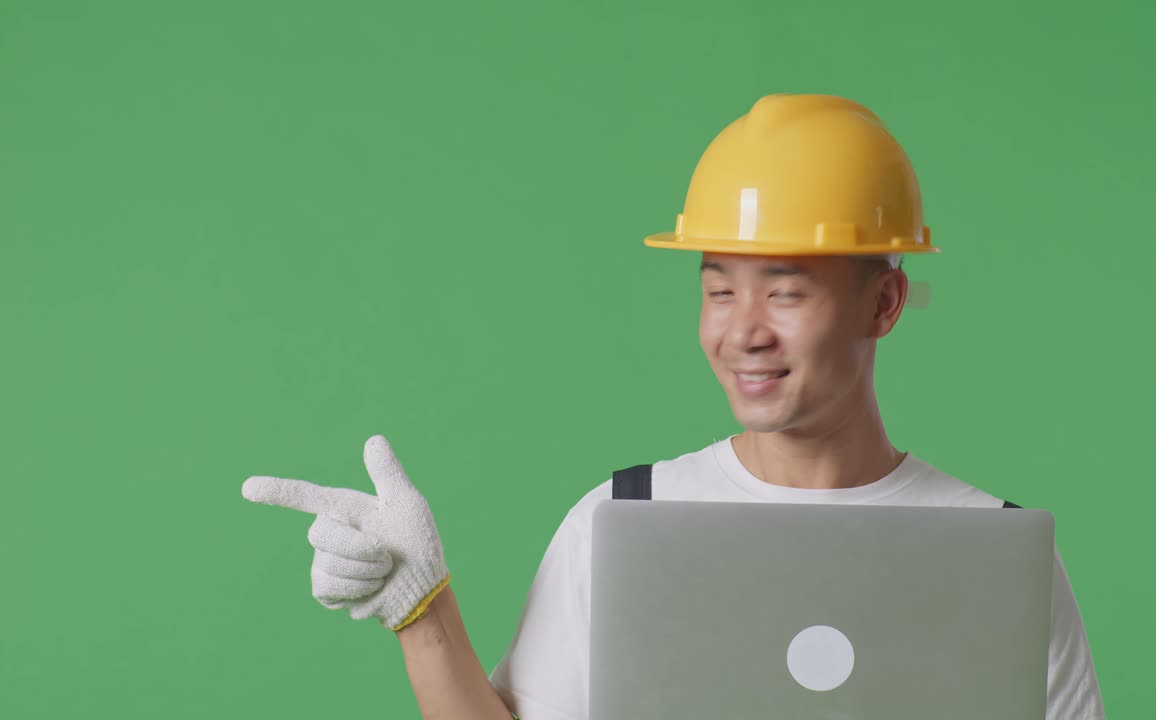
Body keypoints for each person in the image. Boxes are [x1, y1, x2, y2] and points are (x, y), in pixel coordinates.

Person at [242, 93, 1105, 720]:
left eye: (787, 292)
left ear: (884, 305)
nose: (744, 333)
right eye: (720, 290)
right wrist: (420, 612)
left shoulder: (996, 553)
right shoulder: (626, 520)